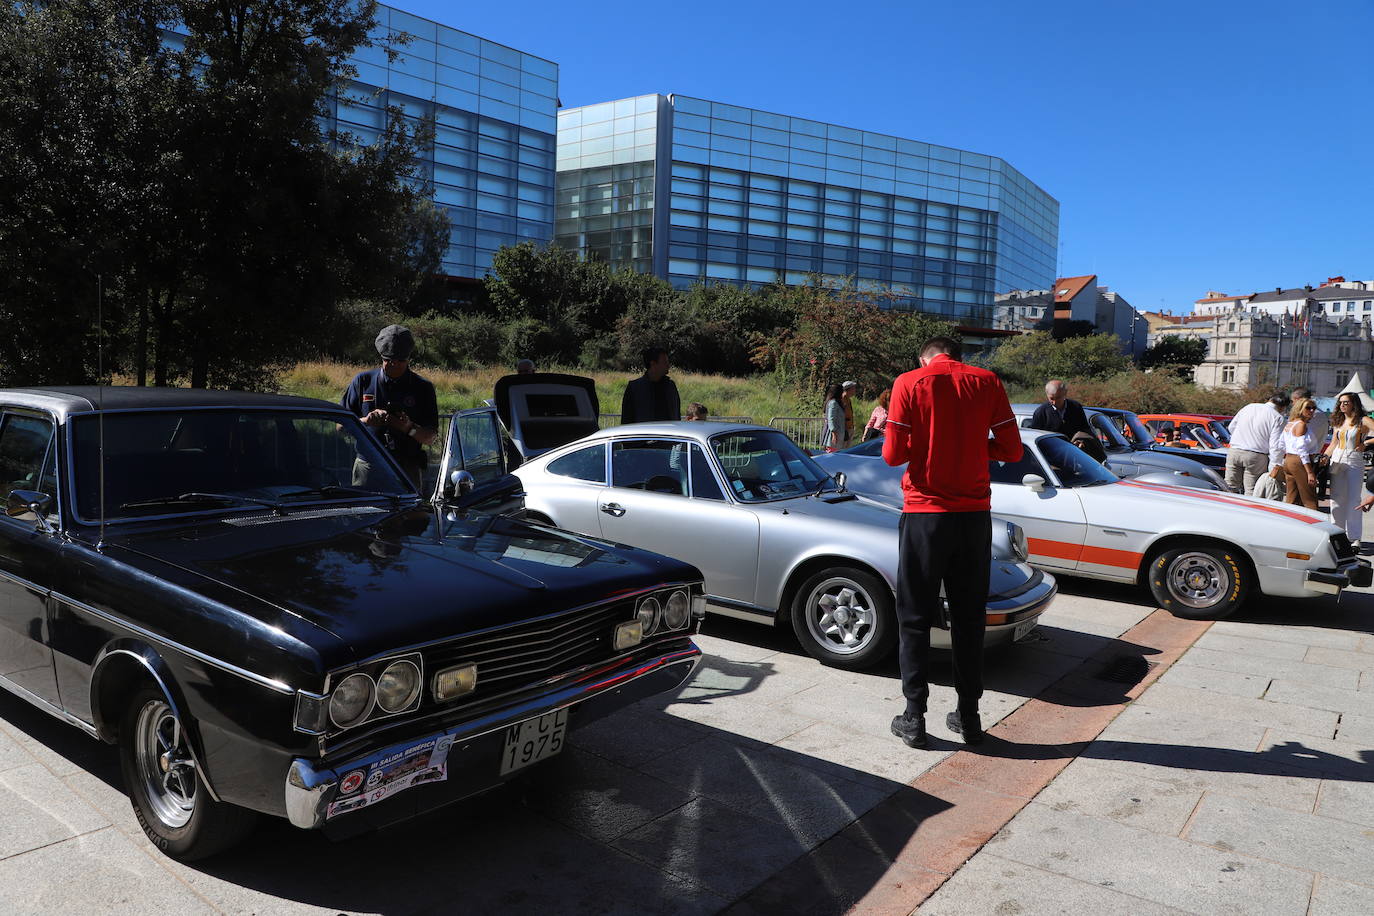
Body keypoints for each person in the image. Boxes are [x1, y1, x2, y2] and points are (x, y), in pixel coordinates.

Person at [882, 336, 1020, 749]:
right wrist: (973, 443)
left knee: (914, 616)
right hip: (974, 517)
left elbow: (892, 455)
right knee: (969, 617)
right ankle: (969, 716)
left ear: (923, 356)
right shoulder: (988, 381)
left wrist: (897, 429)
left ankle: (914, 716)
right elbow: (1011, 451)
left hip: (926, 515)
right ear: (959, 357)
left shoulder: (909, 382)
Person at [341, 325, 438, 491]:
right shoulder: (362, 382)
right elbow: (340, 426)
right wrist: (366, 421)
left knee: (409, 515)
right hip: (368, 465)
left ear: (409, 359)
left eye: (400, 360)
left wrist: (409, 428)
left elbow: (430, 438)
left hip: (406, 468)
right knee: (364, 513)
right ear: (381, 357)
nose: (394, 365)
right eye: (389, 360)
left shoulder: (423, 387)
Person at [1323, 392, 1374, 542]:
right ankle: (1337, 534)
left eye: (1346, 402)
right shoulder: (1338, 421)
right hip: (1337, 459)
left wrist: (1365, 443)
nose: (1342, 405)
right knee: (1336, 499)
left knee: (1353, 499)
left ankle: (1354, 538)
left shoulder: (1362, 420)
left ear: (1354, 404)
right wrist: (1325, 456)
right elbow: (1333, 443)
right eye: (1340, 402)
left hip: (1354, 459)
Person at [1225, 392, 1289, 495]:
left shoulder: (1249, 407)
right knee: (1252, 491)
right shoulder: (1278, 418)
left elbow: (1231, 427)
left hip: (1234, 450)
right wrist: (1274, 465)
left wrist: (1241, 438)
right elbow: (1275, 445)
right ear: (1283, 407)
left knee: (1229, 487)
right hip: (1256, 455)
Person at [621, 346, 680, 424]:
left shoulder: (671, 386)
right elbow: (626, 421)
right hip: (643, 435)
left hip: (668, 434)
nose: (668, 365)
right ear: (653, 364)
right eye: (665, 362)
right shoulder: (634, 388)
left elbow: (677, 416)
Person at [1281, 398, 1319, 509]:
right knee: (1309, 498)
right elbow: (1301, 449)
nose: (1312, 410)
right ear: (1300, 409)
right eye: (1308, 408)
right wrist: (1310, 472)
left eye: (1313, 408)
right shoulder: (1301, 424)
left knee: (1292, 497)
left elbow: (1281, 444)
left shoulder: (1290, 424)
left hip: (1289, 459)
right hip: (1299, 462)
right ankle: (1314, 524)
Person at [821, 383, 845, 452]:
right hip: (834, 435)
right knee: (832, 453)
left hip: (839, 433)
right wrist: (834, 433)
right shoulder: (833, 403)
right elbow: (831, 419)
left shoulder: (838, 403)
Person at [840, 381, 858, 446]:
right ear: (848, 389)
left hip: (850, 427)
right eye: (853, 389)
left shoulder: (848, 399)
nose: (855, 390)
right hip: (844, 428)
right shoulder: (842, 399)